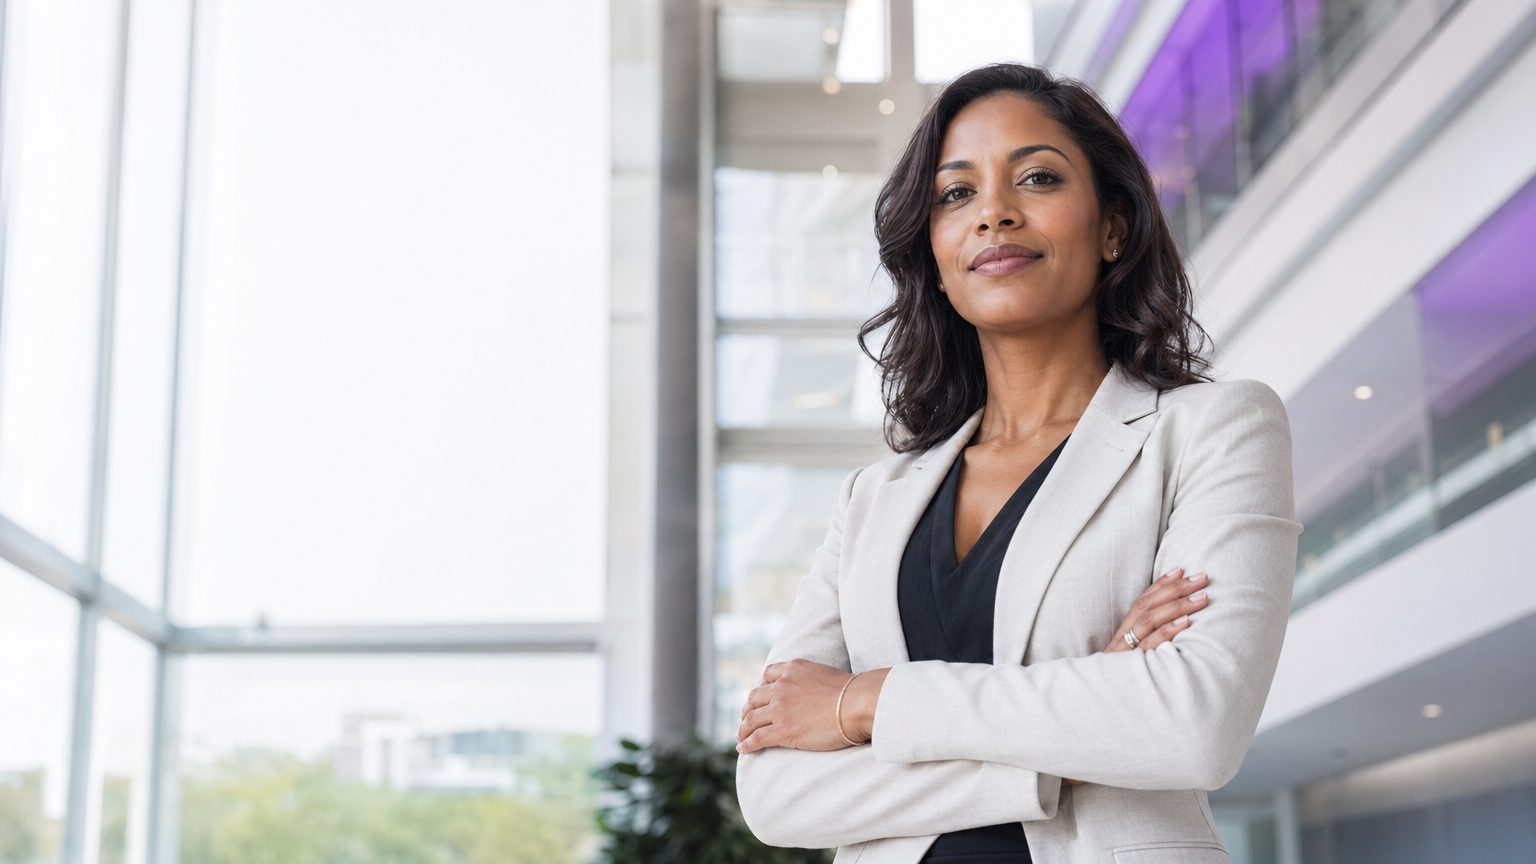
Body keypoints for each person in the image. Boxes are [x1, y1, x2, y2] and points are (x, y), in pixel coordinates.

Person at [733, 64, 1300, 864]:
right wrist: (1077, 727)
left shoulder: (1214, 429)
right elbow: (776, 794)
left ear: (1113, 227)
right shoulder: (875, 498)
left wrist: (866, 702)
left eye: (1036, 178)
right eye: (955, 195)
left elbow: (1192, 725)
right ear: (933, 252)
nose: (994, 213)